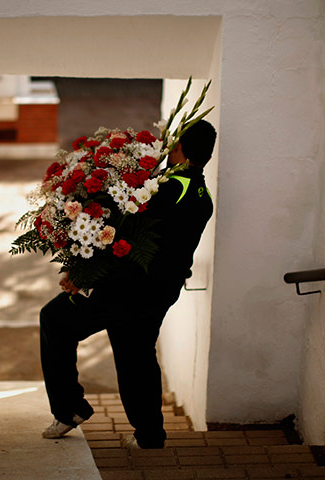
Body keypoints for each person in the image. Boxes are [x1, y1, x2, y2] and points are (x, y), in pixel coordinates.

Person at [39, 120, 216, 449]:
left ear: (182, 150)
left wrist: (84, 275)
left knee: (55, 319)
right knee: (136, 354)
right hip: (160, 292)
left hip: (126, 288)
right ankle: (150, 435)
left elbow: (128, 239)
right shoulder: (201, 194)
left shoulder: (167, 190)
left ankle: (70, 408)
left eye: (175, 142)